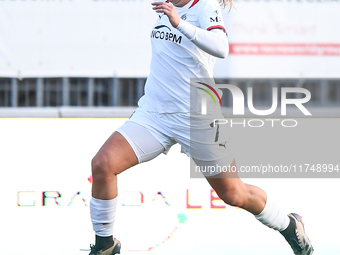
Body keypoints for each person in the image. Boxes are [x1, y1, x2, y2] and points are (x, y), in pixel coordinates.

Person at [88, 0, 314, 254]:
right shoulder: (166, 6)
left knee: (234, 194)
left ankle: (289, 226)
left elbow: (221, 47)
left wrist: (179, 22)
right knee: (103, 164)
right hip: (154, 115)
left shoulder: (204, 6)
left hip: (198, 118)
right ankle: (105, 245)